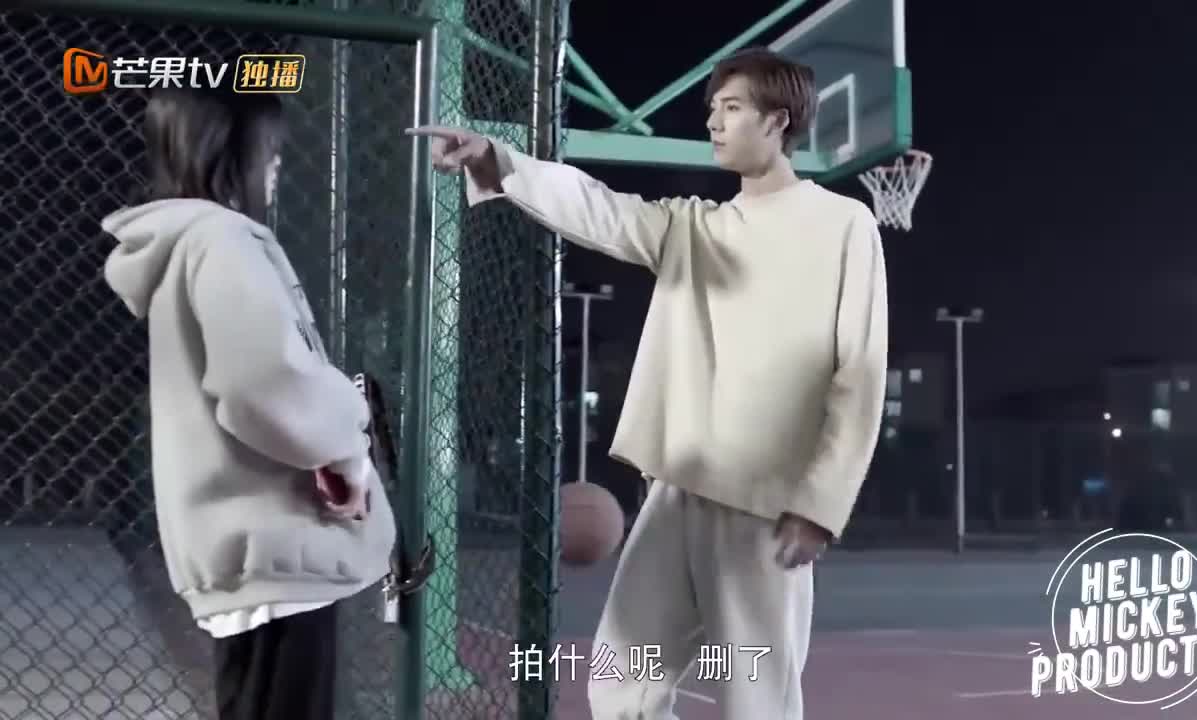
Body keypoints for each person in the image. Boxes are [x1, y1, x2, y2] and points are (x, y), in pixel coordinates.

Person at [409, 46, 888, 719]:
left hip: (765, 504)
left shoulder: (844, 224)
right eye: (713, 109)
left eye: (732, 108)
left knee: (757, 700)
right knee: (622, 687)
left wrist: (819, 503)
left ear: (778, 120)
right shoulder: (695, 227)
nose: (713, 122)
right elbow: (599, 208)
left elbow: (859, 374)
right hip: (677, 489)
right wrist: (498, 159)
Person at [101, 87, 397, 720]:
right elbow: (264, 385)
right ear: (229, 154)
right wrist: (349, 448)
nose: (277, 167)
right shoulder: (226, 241)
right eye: (269, 153)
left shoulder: (184, 245)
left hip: (242, 546)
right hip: (275, 545)